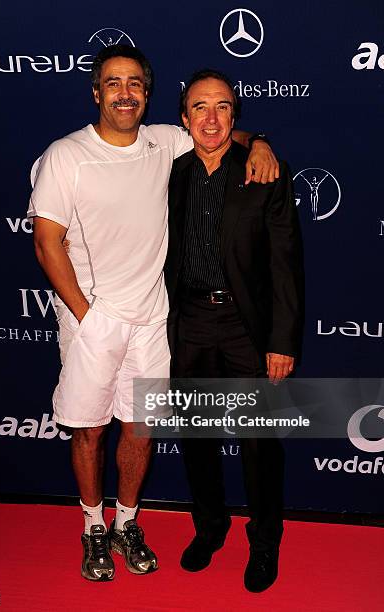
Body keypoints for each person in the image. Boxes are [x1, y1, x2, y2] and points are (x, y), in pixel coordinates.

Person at [28, 45, 278, 582]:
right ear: (96, 93)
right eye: (114, 83)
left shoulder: (164, 141)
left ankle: (126, 522)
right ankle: (93, 526)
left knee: (140, 428)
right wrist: (86, 316)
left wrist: (259, 141)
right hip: (92, 318)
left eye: (136, 83)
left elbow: (217, 134)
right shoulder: (65, 156)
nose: (125, 93)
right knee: (90, 431)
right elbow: (47, 243)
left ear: (148, 92)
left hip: (153, 319)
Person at [164, 70, 304, 592]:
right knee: (197, 440)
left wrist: (281, 342)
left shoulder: (265, 172)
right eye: (200, 107)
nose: (211, 118)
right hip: (191, 324)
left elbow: (286, 267)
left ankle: (265, 542)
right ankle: (210, 528)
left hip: (248, 328)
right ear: (185, 119)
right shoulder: (169, 172)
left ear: (234, 118)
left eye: (222, 107)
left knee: (259, 444)